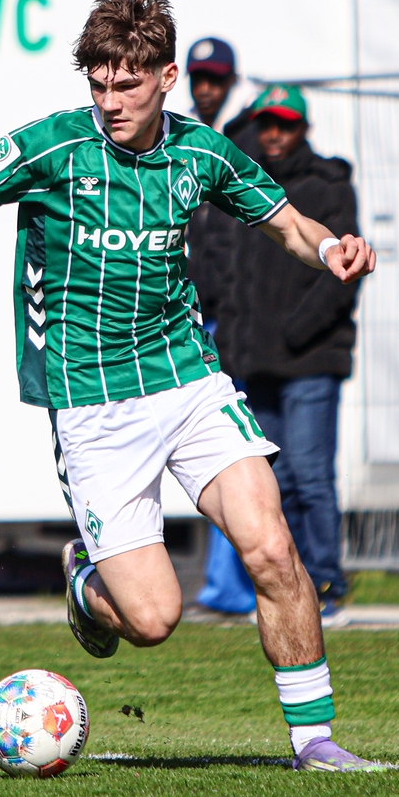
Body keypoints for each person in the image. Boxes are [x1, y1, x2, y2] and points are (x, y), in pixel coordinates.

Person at [0, 0, 385, 772]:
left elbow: (286, 223)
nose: (109, 102)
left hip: (186, 377)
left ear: (168, 76)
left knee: (272, 547)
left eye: (126, 85)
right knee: (155, 618)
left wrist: (331, 246)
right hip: (92, 403)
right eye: (97, 85)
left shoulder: (203, 153)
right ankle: (83, 584)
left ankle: (315, 742)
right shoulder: (55, 147)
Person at [211, 85, 361, 625]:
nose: (273, 135)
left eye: (286, 125)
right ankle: (294, 588)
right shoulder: (245, 182)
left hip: (309, 358)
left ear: (304, 128)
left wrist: (296, 330)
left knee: (312, 475)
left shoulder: (328, 183)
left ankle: (328, 584)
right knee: (276, 482)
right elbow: (231, 273)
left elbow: (342, 269)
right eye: (267, 124)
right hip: (257, 361)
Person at [181, 37, 256, 616]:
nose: (206, 88)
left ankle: (231, 585)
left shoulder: (236, 144)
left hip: (225, 328)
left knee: (230, 460)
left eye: (216, 79)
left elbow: (245, 243)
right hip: (192, 324)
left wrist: (229, 317)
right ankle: (220, 585)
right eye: (200, 78)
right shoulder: (179, 140)